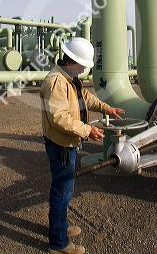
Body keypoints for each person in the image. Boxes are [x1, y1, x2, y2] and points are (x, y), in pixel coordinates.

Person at [40, 37, 125, 254]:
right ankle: (58, 244)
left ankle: (60, 228)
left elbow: (85, 97)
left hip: (67, 144)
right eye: (83, 66)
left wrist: (107, 108)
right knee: (62, 191)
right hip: (61, 146)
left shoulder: (69, 79)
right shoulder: (57, 82)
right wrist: (88, 130)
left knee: (65, 191)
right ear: (74, 62)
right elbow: (60, 118)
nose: (84, 70)